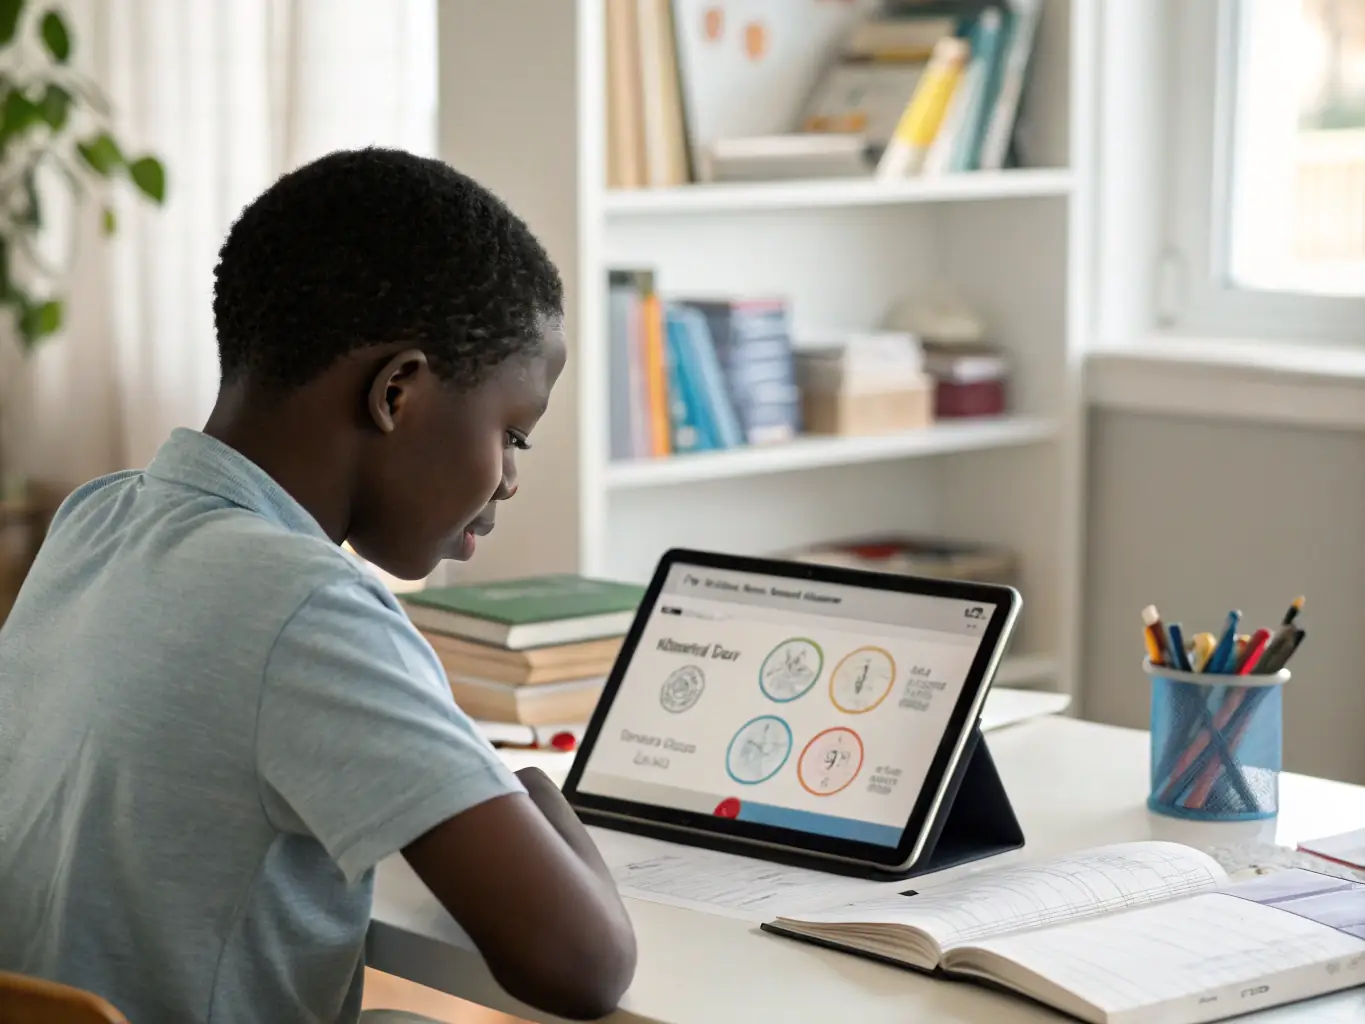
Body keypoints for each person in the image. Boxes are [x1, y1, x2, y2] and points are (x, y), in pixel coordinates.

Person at [0, 148, 636, 1023]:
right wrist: (535, 794)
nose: (510, 480)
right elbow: (580, 962)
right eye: (513, 434)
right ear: (398, 392)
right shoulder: (306, 606)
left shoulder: (97, 520)